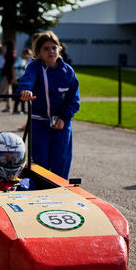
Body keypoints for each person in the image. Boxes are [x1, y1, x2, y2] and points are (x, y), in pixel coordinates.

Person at [17, 31, 80, 180]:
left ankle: (59, 191)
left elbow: (73, 99)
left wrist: (64, 118)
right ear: (38, 52)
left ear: (59, 49)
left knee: (61, 161)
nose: (51, 51)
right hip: (39, 123)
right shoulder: (34, 67)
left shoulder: (67, 71)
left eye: (54, 47)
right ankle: (39, 192)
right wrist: (25, 91)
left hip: (61, 124)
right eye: (46, 48)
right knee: (40, 163)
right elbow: (27, 81)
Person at [12, 48, 33, 116]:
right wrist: (14, 78)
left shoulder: (24, 61)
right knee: (18, 94)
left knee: (24, 93)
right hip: (18, 79)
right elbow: (13, 68)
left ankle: (23, 109)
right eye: (27, 55)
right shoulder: (19, 60)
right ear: (24, 54)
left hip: (23, 79)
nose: (28, 57)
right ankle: (15, 109)